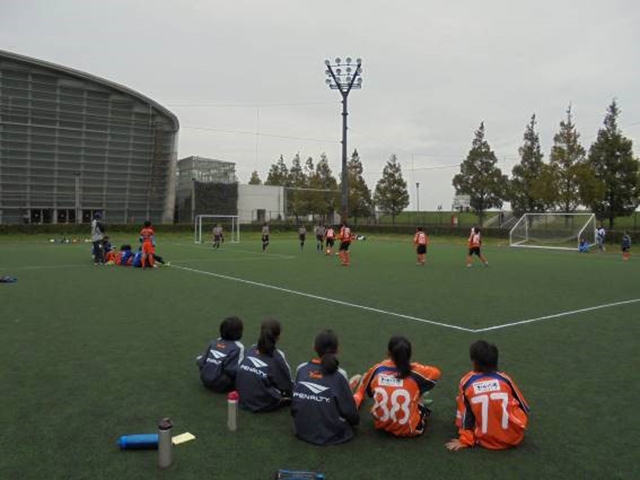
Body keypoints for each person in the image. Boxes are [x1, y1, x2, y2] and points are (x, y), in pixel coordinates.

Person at [446, 340, 529, 451]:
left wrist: (465, 439)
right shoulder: (505, 379)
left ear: (474, 362)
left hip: (486, 440)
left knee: (462, 400)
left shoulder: (467, 381)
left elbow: (467, 416)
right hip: (514, 437)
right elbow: (524, 406)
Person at [352, 335, 441, 437]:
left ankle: (359, 394)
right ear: (409, 354)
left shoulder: (377, 369)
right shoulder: (416, 372)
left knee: (366, 377)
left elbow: (371, 394)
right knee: (418, 389)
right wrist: (414, 366)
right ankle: (420, 406)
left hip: (380, 423)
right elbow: (436, 373)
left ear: (388, 353)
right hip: (409, 429)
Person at [291, 330, 359, 445]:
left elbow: (295, 402)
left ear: (314, 347)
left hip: (301, 428)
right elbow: (351, 414)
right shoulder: (340, 375)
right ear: (337, 349)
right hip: (331, 435)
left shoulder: (301, 368)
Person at [235, 319, 293, 412]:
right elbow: (286, 384)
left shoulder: (250, 349)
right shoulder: (277, 356)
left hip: (241, 398)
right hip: (262, 404)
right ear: (278, 337)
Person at [196, 316, 245, 393]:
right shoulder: (238, 347)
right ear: (239, 332)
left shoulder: (214, 342)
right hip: (221, 385)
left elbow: (200, 361)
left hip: (204, 380)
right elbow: (233, 370)